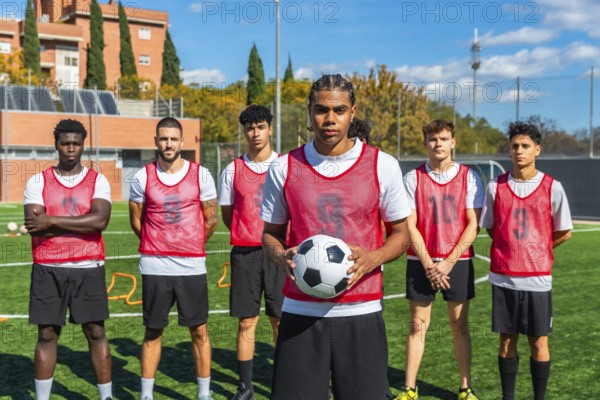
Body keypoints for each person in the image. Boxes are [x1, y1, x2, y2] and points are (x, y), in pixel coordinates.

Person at [261, 74, 412, 400]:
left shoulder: (382, 165)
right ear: (309, 112)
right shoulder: (285, 167)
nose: (329, 119)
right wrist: (280, 255)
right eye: (321, 110)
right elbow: (270, 236)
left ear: (352, 112)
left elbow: (401, 235)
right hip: (300, 313)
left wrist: (373, 258)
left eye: (339, 110)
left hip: (361, 312)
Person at [479, 121, 572, 400]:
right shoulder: (496, 187)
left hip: (537, 279)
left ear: (537, 150)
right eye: (515, 146)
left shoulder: (552, 187)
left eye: (526, 146)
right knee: (506, 340)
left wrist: (539, 248)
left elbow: (564, 232)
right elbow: (491, 227)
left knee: (538, 341)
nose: (519, 151)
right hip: (504, 277)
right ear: (509, 150)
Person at [129, 117, 219, 400]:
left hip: (191, 265)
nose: (168, 143)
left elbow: (212, 219)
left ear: (182, 142)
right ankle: (146, 395)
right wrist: (158, 243)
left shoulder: (201, 175)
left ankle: (203, 394)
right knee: (153, 331)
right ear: (156, 141)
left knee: (199, 331)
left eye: (173, 139)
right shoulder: (142, 176)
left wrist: (191, 242)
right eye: (163, 138)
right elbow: (137, 220)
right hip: (155, 265)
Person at [24, 119, 113, 400]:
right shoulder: (37, 180)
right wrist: (80, 222)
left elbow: (100, 221)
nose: (71, 149)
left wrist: (50, 220)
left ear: (83, 145)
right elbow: (35, 224)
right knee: (48, 335)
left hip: (88, 266)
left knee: (96, 332)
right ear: (56, 145)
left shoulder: (98, 179)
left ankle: (106, 397)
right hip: (48, 267)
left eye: (76, 143)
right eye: (65, 143)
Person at [397, 120, 483, 400]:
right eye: (433, 139)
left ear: (453, 142)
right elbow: (410, 225)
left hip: (457, 261)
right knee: (417, 324)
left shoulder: (470, 177)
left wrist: (447, 262)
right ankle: (410, 388)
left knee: (459, 324)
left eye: (444, 139)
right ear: (426, 143)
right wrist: (429, 263)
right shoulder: (412, 178)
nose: (438, 144)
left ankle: (465, 387)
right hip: (421, 260)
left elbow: (473, 224)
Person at [218, 105, 285, 400]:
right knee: (247, 321)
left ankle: (285, 382)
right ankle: (245, 387)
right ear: (244, 132)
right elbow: (227, 213)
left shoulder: (286, 166)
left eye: (260, 127)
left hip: (279, 254)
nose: (255, 133)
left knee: (280, 320)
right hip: (245, 254)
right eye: (249, 128)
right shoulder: (232, 169)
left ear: (270, 128)